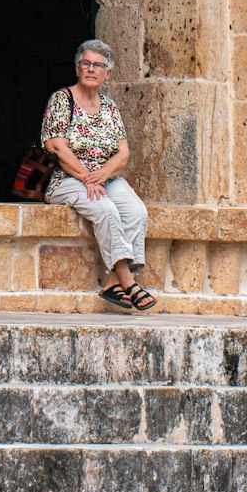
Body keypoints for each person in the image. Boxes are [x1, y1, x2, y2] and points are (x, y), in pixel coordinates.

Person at [41, 39, 156, 312]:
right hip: (66, 179)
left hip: (104, 178)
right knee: (105, 210)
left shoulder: (109, 107)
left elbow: (123, 153)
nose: (91, 69)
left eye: (98, 65)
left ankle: (110, 283)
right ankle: (128, 281)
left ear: (108, 73)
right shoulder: (62, 99)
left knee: (136, 211)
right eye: (86, 63)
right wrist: (86, 176)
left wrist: (101, 175)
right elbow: (56, 145)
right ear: (77, 68)